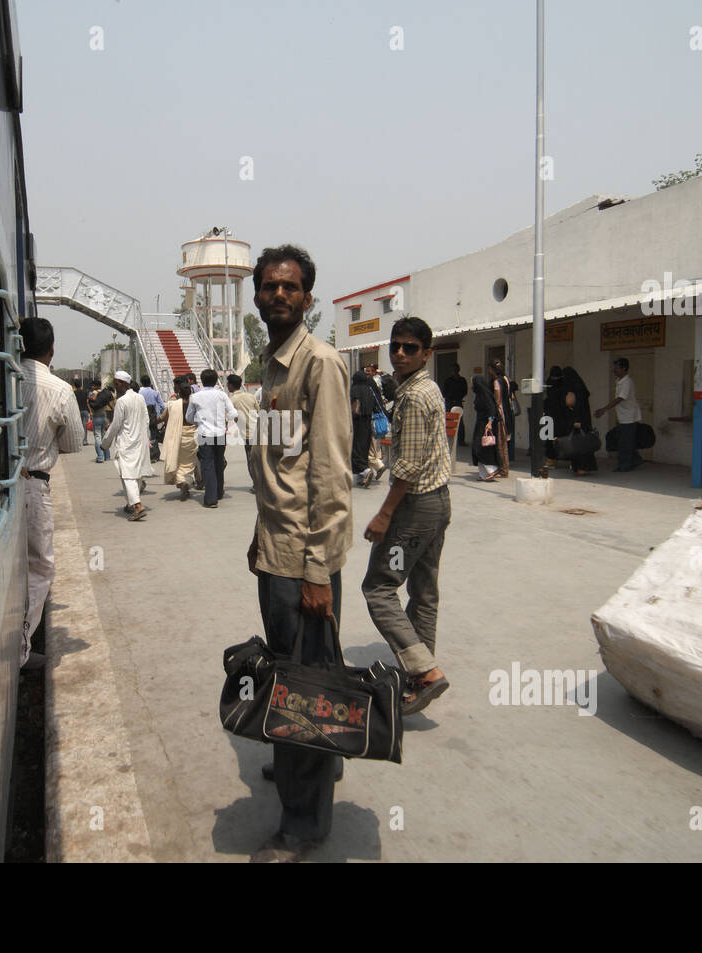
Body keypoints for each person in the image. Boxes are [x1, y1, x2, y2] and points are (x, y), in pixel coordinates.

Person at [245, 244, 352, 863]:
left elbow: (331, 479)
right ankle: (311, 766)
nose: (279, 295)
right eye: (269, 286)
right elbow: (278, 466)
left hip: (303, 564)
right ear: (258, 296)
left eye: (291, 287)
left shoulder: (321, 364)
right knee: (300, 675)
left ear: (308, 298)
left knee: (301, 689)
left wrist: (317, 572)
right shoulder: (271, 365)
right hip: (275, 551)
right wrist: (259, 536)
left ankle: (303, 826)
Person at [361, 316, 452, 715]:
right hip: (437, 502)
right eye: (395, 346)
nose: (399, 353)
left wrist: (384, 516)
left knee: (379, 588)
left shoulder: (414, 397)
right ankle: (421, 675)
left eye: (409, 348)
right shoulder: (425, 387)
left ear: (426, 353)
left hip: (415, 508)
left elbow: (407, 468)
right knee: (424, 592)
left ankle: (425, 671)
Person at [18, 318, 85, 666]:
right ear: (52, 349)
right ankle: (21, 649)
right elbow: (74, 442)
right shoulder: (59, 389)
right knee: (39, 567)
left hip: (3, 479)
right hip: (34, 485)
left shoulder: (2, 379)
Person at [100, 371, 154, 520]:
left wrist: (105, 443)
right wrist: (142, 434)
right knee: (134, 474)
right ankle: (130, 504)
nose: (115, 386)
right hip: (139, 441)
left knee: (127, 475)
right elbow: (146, 420)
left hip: (126, 443)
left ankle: (138, 505)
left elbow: (116, 425)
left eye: (117, 383)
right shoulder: (140, 398)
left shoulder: (122, 402)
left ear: (125, 384)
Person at [185, 368, 239, 507]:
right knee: (218, 462)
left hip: (204, 433)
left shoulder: (195, 397)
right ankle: (219, 491)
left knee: (207, 465)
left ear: (201, 381)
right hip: (220, 433)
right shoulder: (222, 395)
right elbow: (233, 413)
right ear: (216, 381)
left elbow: (189, 417)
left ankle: (210, 499)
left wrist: (198, 421)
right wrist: (223, 419)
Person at [595, 357, 643, 471]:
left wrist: (604, 409)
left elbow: (620, 398)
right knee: (625, 440)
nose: (614, 370)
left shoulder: (627, 382)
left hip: (629, 417)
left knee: (625, 443)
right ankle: (636, 460)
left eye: (616, 368)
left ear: (624, 368)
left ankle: (624, 466)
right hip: (623, 416)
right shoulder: (619, 381)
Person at [158, 380, 198, 499]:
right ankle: (187, 481)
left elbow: (162, 417)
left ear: (179, 393)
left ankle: (182, 482)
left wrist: (153, 422)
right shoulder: (195, 404)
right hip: (192, 436)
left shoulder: (172, 405)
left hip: (177, 437)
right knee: (189, 464)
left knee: (178, 462)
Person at [560, 366, 597, 475]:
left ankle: (582, 468)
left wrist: (576, 420)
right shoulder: (581, 389)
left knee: (579, 445)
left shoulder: (575, 390)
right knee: (584, 444)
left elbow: (576, 407)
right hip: (584, 420)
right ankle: (585, 467)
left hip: (578, 421)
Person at [227, 373, 259, 489]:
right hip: (259, 431)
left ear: (230, 386)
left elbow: (230, 417)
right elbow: (259, 411)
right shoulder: (251, 396)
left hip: (247, 434)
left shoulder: (232, 400)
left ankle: (257, 485)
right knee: (260, 460)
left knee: (251, 460)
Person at [471, 373, 501, 481]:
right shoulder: (479, 394)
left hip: (485, 424)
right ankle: (483, 474)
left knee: (480, 448)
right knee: (477, 448)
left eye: (472, 382)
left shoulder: (485, 395)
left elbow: (492, 409)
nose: (471, 385)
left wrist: (489, 423)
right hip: (479, 423)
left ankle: (492, 469)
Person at [489, 358, 519, 465]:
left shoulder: (496, 381)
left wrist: (493, 413)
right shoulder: (506, 379)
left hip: (500, 412)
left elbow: (497, 399)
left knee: (500, 439)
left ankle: (502, 464)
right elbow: (512, 393)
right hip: (508, 410)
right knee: (508, 436)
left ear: (492, 369)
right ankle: (508, 460)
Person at [350, 369, 376, 487]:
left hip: (356, 422)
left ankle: (366, 471)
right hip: (368, 422)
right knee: (364, 448)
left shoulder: (354, 389)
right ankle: (363, 476)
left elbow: (353, 406)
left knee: (355, 449)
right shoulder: (369, 390)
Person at [542, 366, 571, 467]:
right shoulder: (550, 383)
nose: (554, 379)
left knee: (561, 437)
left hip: (561, 415)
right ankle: (552, 458)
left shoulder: (563, 384)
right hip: (552, 415)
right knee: (551, 438)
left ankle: (565, 458)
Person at [138, 375, 165, 462]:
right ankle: (155, 455)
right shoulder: (155, 393)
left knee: (145, 435)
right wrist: (163, 417)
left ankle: (147, 454)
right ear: (150, 382)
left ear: (142, 383)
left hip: (143, 417)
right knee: (153, 435)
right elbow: (162, 406)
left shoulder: (139, 393)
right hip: (154, 418)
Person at [89, 378, 113, 463]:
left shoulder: (95, 392)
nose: (92, 387)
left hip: (97, 416)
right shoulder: (104, 393)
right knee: (103, 436)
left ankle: (100, 456)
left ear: (95, 386)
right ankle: (107, 455)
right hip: (104, 416)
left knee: (97, 436)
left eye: (93, 385)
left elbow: (93, 401)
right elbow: (109, 404)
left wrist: (90, 397)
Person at [73, 378, 90, 445]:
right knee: (84, 426)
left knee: (77, 426)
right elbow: (88, 401)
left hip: (77, 411)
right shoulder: (85, 392)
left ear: (75, 386)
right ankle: (84, 440)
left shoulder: (74, 393)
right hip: (85, 410)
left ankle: (78, 441)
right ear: (80, 385)